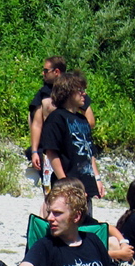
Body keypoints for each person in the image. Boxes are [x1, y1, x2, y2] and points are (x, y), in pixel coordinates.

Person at [40, 71, 105, 214]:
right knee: (67, 223)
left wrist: (97, 179)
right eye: (80, 90)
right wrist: (64, 182)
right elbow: (51, 152)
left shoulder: (83, 120)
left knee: (85, 222)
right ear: (68, 92)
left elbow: (89, 153)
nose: (84, 94)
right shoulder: (57, 118)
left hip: (85, 183)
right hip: (67, 184)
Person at [28, 56, 95, 174]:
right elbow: (36, 124)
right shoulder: (43, 93)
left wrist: (71, 132)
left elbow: (90, 121)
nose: (42, 73)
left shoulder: (75, 92)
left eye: (45, 71)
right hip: (48, 149)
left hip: (72, 151)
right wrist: (34, 151)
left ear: (56, 71)